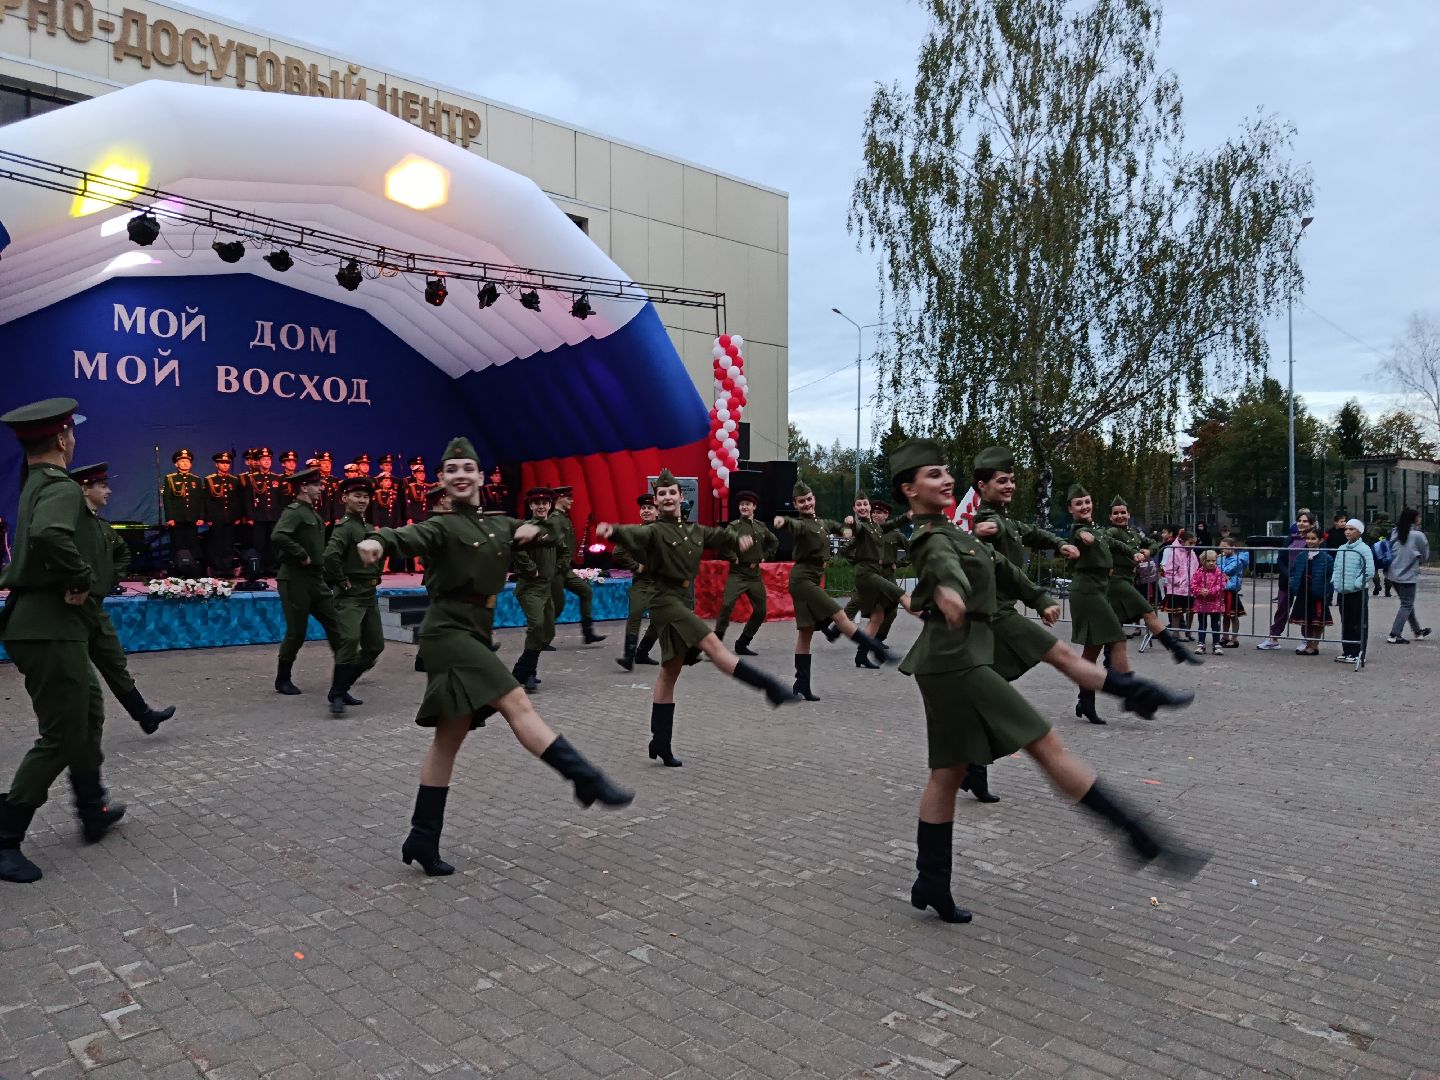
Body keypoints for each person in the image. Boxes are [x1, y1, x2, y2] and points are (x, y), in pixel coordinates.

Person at [889, 440, 1206, 925]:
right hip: (956, 662)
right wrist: (949, 593)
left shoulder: (961, 533)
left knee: (948, 772)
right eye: (933, 475)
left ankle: (931, 879)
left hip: (965, 652)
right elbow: (941, 570)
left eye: (946, 471)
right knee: (1045, 742)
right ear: (909, 490)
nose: (945, 479)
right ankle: (1138, 835)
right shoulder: (932, 538)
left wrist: (1037, 595)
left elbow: (1005, 570)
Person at [355, 437, 631, 876]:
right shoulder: (442, 526)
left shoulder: (500, 526)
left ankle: (421, 838)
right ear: (444, 481)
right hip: (448, 631)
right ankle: (585, 778)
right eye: (452, 470)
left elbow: (550, 534)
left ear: (481, 477)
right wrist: (378, 542)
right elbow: (407, 535)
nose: (461, 474)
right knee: (515, 701)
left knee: (449, 738)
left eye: (468, 468)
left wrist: (534, 531)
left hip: (475, 632)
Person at [972, 450, 1193, 804]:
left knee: (992, 690)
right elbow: (997, 558)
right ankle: (1138, 694)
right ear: (982, 486)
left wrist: (1059, 543)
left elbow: (1034, 533)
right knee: (1060, 654)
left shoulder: (1006, 521)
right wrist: (1040, 599)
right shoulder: (990, 521)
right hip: (995, 615)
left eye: (1013, 480)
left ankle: (971, 763)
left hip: (1001, 614)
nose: (1011, 485)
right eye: (1003, 481)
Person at [0, 398, 127, 885]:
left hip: (53, 627)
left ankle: (91, 806)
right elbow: (53, 538)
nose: (73, 441)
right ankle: (6, 835)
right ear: (60, 439)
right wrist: (77, 575)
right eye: (71, 434)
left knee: (88, 714)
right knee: (61, 735)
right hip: (47, 626)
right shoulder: (59, 488)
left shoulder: (37, 484)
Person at [597, 469, 797, 767]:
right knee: (713, 645)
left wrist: (736, 541)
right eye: (661, 494)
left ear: (680, 496)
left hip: (682, 600)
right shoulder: (654, 531)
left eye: (671, 493)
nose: (666, 497)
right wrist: (611, 530)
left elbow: (720, 535)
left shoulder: (694, 531)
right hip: (664, 601)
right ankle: (770, 687)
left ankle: (660, 742)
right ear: (656, 499)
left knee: (670, 671)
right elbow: (633, 533)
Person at [1065, 487, 1197, 725]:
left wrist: (1139, 552)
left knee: (1093, 650)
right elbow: (1081, 536)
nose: (1084, 506)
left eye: (1087, 501)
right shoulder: (1082, 530)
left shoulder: (1103, 531)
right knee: (1116, 639)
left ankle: (1088, 700)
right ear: (1070, 508)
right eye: (1078, 503)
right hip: (1089, 592)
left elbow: (1121, 546)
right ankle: (1134, 694)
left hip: (1099, 590)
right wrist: (1085, 538)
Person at [72, 463, 176, 734]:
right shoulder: (71, 524)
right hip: (70, 610)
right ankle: (72, 730)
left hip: (94, 606)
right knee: (74, 672)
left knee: (114, 661)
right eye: (102, 485)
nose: (108, 490)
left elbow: (123, 553)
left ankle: (144, 716)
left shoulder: (102, 527)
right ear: (85, 488)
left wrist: (109, 578)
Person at [772, 482, 893, 702]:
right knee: (839, 614)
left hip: (812, 578)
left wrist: (847, 529)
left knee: (805, 633)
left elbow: (838, 527)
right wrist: (782, 522)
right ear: (796, 505)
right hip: (801, 579)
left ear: (814, 499)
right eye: (802, 501)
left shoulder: (821, 523)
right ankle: (876, 649)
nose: (807, 503)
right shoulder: (801, 524)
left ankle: (801, 685)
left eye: (809, 499)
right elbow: (792, 526)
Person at [270, 467, 346, 698]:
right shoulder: (295, 512)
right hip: (295, 579)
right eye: (317, 485)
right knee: (297, 632)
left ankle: (344, 677)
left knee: (336, 625)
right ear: (303, 487)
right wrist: (301, 554)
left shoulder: (312, 513)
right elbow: (279, 535)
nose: (321, 489)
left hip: (315, 579)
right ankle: (283, 679)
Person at [1103, 498, 1199, 665]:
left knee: (1114, 625)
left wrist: (1147, 551)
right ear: (1110, 517)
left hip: (1129, 581)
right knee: (1148, 611)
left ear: (1129, 514)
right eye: (1116, 513)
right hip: (1116, 581)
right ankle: (1176, 649)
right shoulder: (1111, 532)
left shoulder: (1133, 534)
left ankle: (1107, 666)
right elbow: (1107, 539)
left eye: (1123, 512)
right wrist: (1132, 552)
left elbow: (1155, 543)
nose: (1120, 516)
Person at [322, 476, 385, 714]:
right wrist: (339, 581)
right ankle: (337, 693)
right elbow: (330, 556)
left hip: (369, 594)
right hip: (351, 595)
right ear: (344, 498)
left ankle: (344, 685)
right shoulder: (346, 527)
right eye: (357, 496)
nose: (362, 500)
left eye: (366, 496)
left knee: (375, 646)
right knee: (349, 641)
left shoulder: (366, 527)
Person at [841, 494, 909, 670]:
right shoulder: (865, 530)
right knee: (861, 604)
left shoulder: (892, 533)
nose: (877, 515)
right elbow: (848, 547)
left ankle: (871, 646)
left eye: (881, 513)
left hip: (887, 575)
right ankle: (837, 628)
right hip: (870, 576)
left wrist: (899, 564)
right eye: (875, 512)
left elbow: (911, 551)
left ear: (886, 515)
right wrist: (860, 562)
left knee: (886, 613)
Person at [713, 490, 778, 655]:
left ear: (754, 507)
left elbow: (774, 541)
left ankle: (742, 643)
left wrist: (765, 556)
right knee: (727, 605)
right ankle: (715, 645)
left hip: (754, 575)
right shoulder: (734, 526)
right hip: (738, 573)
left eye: (747, 504)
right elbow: (723, 544)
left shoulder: (760, 526)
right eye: (741, 504)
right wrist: (732, 557)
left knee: (761, 611)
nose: (744, 507)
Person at [510, 487, 559, 692]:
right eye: (536, 503)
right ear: (530, 506)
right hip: (530, 587)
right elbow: (515, 548)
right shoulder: (526, 527)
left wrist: (560, 566)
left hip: (548, 586)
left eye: (545, 503)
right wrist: (531, 569)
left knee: (547, 630)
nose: (541, 506)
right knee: (537, 626)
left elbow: (562, 549)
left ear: (549, 505)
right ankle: (528, 672)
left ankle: (521, 671)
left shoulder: (553, 527)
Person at [549, 486, 606, 645]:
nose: (572, 500)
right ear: (559, 498)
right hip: (555, 570)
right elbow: (553, 546)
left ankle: (588, 632)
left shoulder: (564, 518)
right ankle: (539, 636)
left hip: (564, 569)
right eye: (568, 498)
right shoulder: (555, 519)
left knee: (586, 591)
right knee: (557, 606)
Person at [614, 493, 661, 670]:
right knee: (635, 614)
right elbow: (617, 552)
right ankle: (628, 656)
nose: (646, 511)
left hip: (661, 583)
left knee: (660, 620)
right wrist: (636, 566)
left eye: (650, 508)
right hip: (641, 582)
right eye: (643, 508)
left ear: (657, 512)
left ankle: (642, 652)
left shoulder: (665, 531)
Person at [1261, 511, 1314, 649]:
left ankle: (1305, 639)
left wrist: (1299, 575)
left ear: (1312, 524)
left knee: (1304, 610)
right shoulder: (1290, 539)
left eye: (1305, 521)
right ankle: (1273, 638)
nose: (1301, 523)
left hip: (1305, 580)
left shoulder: (1313, 539)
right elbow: (1280, 559)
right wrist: (1287, 574)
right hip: (1286, 580)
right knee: (1282, 609)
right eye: (1299, 521)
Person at [1385, 507, 1431, 644]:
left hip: (1392, 574)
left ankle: (1417, 631)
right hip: (1407, 575)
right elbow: (1426, 556)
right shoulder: (1418, 535)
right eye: (1419, 516)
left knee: (1407, 603)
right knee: (1407, 604)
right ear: (1414, 518)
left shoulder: (1395, 532)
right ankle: (1394, 634)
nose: (1420, 519)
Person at [1331, 518, 1374, 663]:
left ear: (1359, 532)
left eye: (1352, 529)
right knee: (1346, 622)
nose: (1348, 532)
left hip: (1357, 592)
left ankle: (1358, 652)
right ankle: (1347, 651)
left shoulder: (1364, 549)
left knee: (1358, 623)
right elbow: (1336, 567)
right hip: (1343, 591)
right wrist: (1335, 581)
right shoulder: (1342, 548)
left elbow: (1369, 570)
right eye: (1346, 529)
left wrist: (1356, 584)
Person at [1287, 527, 1333, 655]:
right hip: (1303, 591)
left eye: (1313, 539)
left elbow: (1331, 576)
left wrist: (1327, 591)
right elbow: (1294, 571)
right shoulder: (1302, 556)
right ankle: (1308, 643)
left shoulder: (1326, 558)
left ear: (1320, 540)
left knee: (1317, 621)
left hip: (1318, 592)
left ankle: (1314, 645)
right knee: (1305, 620)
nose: (1310, 541)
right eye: (1308, 538)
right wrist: (1294, 584)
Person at [161, 448, 204, 568]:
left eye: (187, 461)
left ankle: (193, 568)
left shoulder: (196, 479)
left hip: (192, 518)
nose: (185, 463)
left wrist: (201, 516)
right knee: (177, 544)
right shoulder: (170, 478)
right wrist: (170, 517)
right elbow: (167, 499)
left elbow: (200, 500)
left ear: (191, 464)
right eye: (182, 461)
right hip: (177, 518)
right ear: (176, 464)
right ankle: (177, 568)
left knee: (192, 543)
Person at [204, 450, 244, 577]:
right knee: (216, 544)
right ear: (217, 464)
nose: (225, 465)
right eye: (222, 463)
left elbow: (237, 500)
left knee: (228, 544)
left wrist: (237, 516)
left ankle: (227, 568)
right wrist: (208, 517)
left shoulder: (234, 480)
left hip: (230, 517)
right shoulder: (209, 480)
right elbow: (207, 501)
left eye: (227, 463)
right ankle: (217, 569)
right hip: (216, 517)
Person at [247, 447, 284, 572]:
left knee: (274, 543)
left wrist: (281, 515)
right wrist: (250, 516)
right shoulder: (252, 478)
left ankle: (273, 568)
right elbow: (248, 499)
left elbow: (280, 500)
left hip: (274, 516)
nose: (267, 461)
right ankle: (260, 568)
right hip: (259, 516)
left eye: (268, 459)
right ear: (259, 462)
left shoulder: (277, 478)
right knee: (259, 544)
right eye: (264, 459)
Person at [1160, 528, 1198, 640]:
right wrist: (1179, 581)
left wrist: (1195, 582)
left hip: (1191, 587)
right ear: (1182, 541)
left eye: (1194, 543)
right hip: (1177, 588)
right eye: (1190, 543)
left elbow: (1196, 567)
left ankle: (1188, 631)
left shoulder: (1193, 553)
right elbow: (1170, 570)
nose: (1193, 546)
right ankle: (1175, 633)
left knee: (1191, 611)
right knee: (1177, 612)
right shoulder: (1174, 551)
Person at [1189, 550, 1227, 655]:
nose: (1211, 563)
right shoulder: (1198, 572)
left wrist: (1210, 591)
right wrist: (1200, 591)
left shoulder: (1219, 572)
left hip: (1215, 602)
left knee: (1216, 624)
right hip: (1202, 602)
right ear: (1202, 561)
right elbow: (1193, 585)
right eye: (1208, 561)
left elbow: (1222, 585)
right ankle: (1201, 644)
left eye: (1213, 561)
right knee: (1202, 624)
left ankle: (1216, 644)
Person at [1217, 536, 1250, 647]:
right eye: (1221, 548)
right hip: (1222, 589)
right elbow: (1217, 570)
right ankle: (1225, 636)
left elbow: (1228, 570)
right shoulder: (1220, 558)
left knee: (1233, 615)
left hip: (1231, 589)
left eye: (1225, 547)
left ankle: (1234, 638)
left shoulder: (1238, 560)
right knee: (1225, 615)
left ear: (1233, 547)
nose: (1222, 550)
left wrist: (1221, 570)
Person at [1371, 532, 1394, 597]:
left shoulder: (1382, 541)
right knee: (1388, 573)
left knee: (1374, 571)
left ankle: (1377, 586)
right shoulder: (1393, 543)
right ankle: (1387, 591)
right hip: (1386, 558)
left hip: (1374, 553)